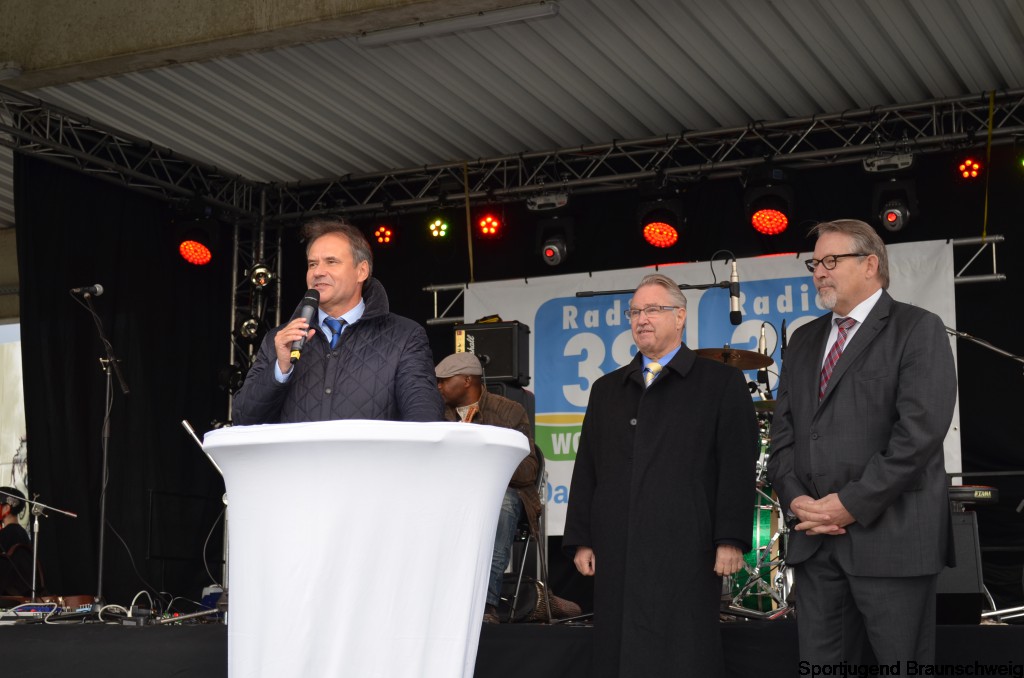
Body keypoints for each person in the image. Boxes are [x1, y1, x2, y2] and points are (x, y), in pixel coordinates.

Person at [767, 219, 957, 665]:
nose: (819, 272)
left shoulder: (917, 328)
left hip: (892, 542)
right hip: (816, 544)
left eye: (831, 261)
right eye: (815, 263)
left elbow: (918, 436)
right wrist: (797, 501)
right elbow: (783, 437)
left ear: (870, 264)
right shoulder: (803, 340)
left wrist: (849, 504)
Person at [563, 273, 758, 677]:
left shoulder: (720, 382)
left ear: (680, 316)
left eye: (653, 309)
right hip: (618, 545)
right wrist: (582, 538)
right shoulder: (606, 389)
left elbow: (737, 465)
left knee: (684, 649)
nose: (642, 319)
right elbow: (587, 468)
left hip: (687, 546)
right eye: (635, 312)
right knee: (619, 649)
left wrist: (730, 539)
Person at [233, 218, 443, 424]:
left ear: (362, 271)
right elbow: (242, 419)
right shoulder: (280, 340)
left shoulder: (404, 336)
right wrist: (280, 370)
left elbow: (425, 420)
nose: (318, 272)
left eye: (331, 262)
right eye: (312, 264)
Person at [435, 352, 542, 624]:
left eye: (444, 380)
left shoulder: (509, 411)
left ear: (467, 380)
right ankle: (437, 602)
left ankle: (486, 604)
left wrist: (486, 462)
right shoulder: (436, 415)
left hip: (505, 494)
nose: (439, 386)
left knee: (502, 504)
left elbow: (528, 469)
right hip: (455, 495)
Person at [0, 487, 33, 597]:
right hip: (23, 593)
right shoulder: (22, 533)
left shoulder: (6, 534)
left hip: (7, 596)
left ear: (6, 508)